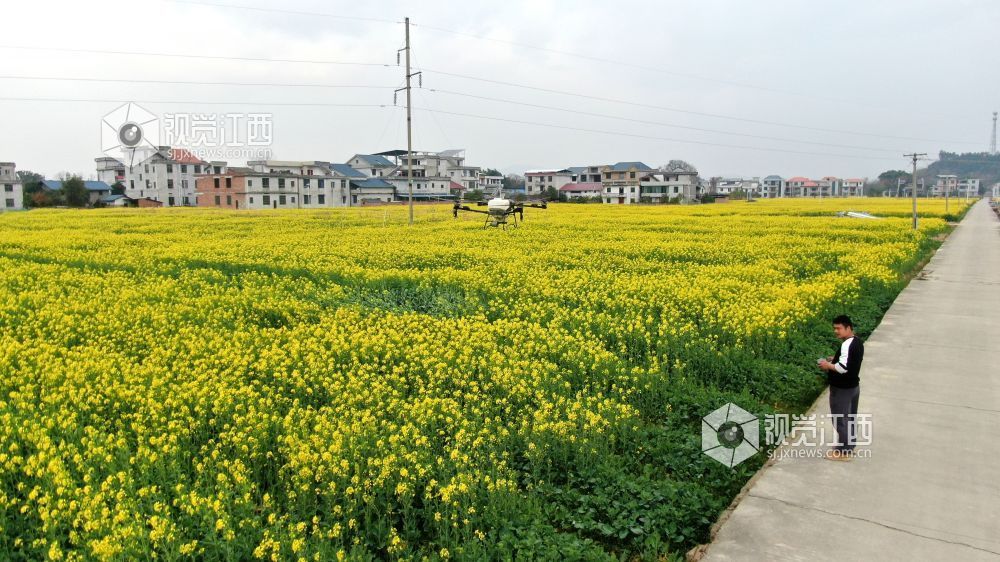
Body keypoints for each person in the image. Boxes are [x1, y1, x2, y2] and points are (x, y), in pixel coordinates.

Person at [817, 315, 864, 461]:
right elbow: (849, 361)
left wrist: (828, 365)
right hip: (853, 387)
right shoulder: (857, 341)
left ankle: (844, 452)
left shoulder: (846, 345)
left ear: (848, 328)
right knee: (850, 418)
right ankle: (849, 446)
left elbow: (843, 368)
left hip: (842, 389)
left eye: (839, 328)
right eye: (834, 328)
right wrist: (835, 359)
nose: (836, 331)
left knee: (840, 420)